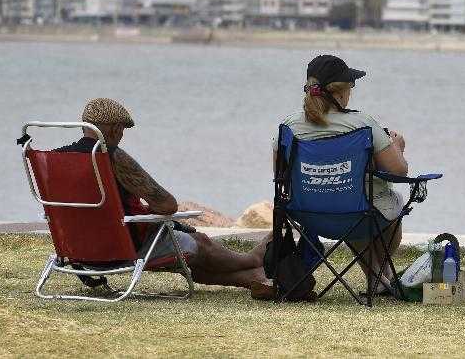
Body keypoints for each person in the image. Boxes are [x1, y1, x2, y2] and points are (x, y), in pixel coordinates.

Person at [57, 98, 272, 296]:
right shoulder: (111, 157)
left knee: (189, 258)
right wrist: (148, 212)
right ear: (115, 129)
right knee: (199, 243)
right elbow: (167, 204)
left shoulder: (57, 159)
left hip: (79, 251)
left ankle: (253, 278)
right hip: (124, 248)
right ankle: (253, 260)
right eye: (122, 130)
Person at [275, 54, 409, 293]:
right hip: (355, 213)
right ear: (339, 93)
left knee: (347, 199)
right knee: (381, 202)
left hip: (307, 214)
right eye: (350, 87)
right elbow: (399, 171)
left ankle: (378, 276)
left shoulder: (288, 127)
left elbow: (280, 174)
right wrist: (397, 145)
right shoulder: (363, 125)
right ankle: (380, 274)